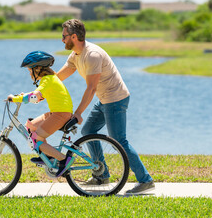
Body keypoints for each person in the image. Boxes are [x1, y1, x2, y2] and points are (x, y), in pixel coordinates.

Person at [57, 19, 155, 194]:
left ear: (74, 36)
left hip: (116, 99)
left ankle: (145, 180)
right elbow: (60, 76)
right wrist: (42, 85)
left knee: (119, 140)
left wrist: (78, 113)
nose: (62, 40)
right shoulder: (76, 55)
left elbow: (91, 88)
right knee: (88, 131)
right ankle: (102, 175)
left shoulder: (92, 55)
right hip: (104, 99)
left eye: (64, 36)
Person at [8, 51, 74, 177]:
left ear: (37, 68)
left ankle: (63, 160)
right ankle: (48, 157)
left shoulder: (47, 79)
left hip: (60, 114)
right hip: (57, 112)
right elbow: (38, 97)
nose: (29, 74)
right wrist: (23, 96)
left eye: (29, 70)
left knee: (35, 141)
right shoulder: (49, 79)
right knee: (31, 126)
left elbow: (34, 96)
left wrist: (14, 98)